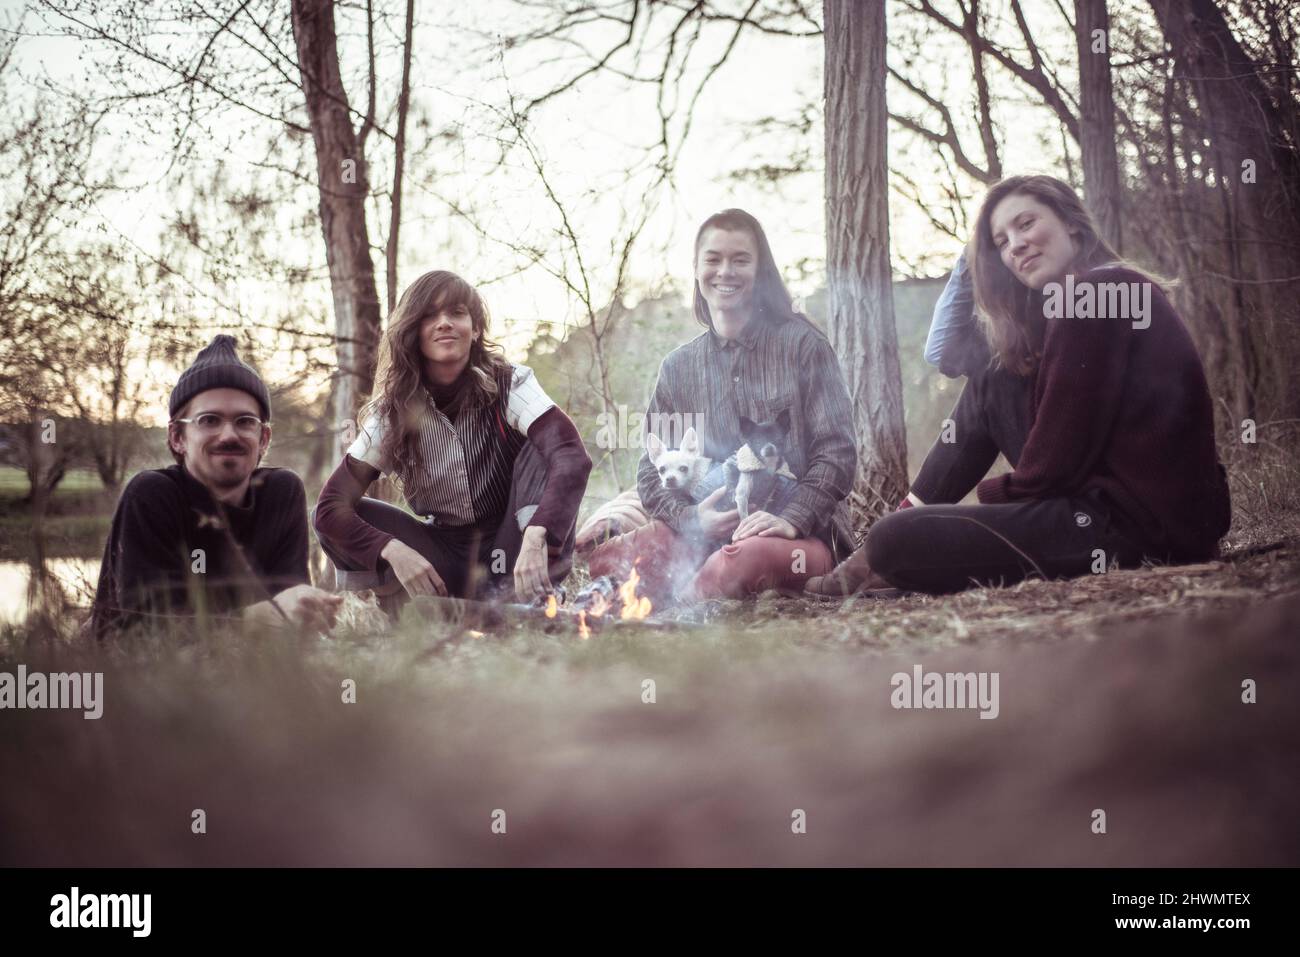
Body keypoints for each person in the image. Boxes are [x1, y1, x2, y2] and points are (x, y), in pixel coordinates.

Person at [805, 173, 1231, 597]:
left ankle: (879, 554)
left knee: (894, 538)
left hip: (1138, 528)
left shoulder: (1096, 294)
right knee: (995, 372)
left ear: (1071, 222)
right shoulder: (1091, 296)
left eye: (1026, 224)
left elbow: (1054, 462)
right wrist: (973, 261)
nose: (1016, 246)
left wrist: (995, 498)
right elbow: (948, 352)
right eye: (1001, 242)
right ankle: (879, 555)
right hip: (1140, 514)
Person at [587, 208, 857, 601]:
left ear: (760, 269)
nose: (725, 271)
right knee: (613, 560)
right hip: (702, 534)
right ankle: (599, 617)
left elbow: (837, 453)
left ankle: (676, 627)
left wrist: (791, 518)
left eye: (740, 259)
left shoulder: (803, 346)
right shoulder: (679, 368)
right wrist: (691, 519)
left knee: (735, 563)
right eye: (713, 259)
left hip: (796, 538)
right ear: (697, 269)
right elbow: (650, 472)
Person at [312, 270, 592, 605]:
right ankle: (417, 609)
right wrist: (393, 549)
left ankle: (534, 597)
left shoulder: (511, 383)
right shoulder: (392, 412)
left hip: (513, 549)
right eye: (430, 315)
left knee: (544, 448)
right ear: (413, 331)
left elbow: (571, 454)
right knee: (343, 514)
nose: (444, 322)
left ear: (475, 330)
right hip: (443, 558)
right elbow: (330, 508)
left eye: (457, 312)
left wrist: (537, 535)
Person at [88, 335, 342, 638]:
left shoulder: (281, 492)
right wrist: (255, 619)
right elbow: (139, 632)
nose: (228, 435)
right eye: (209, 420)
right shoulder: (152, 494)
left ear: (264, 439)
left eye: (245, 421)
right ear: (177, 437)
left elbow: (288, 613)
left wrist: (308, 610)